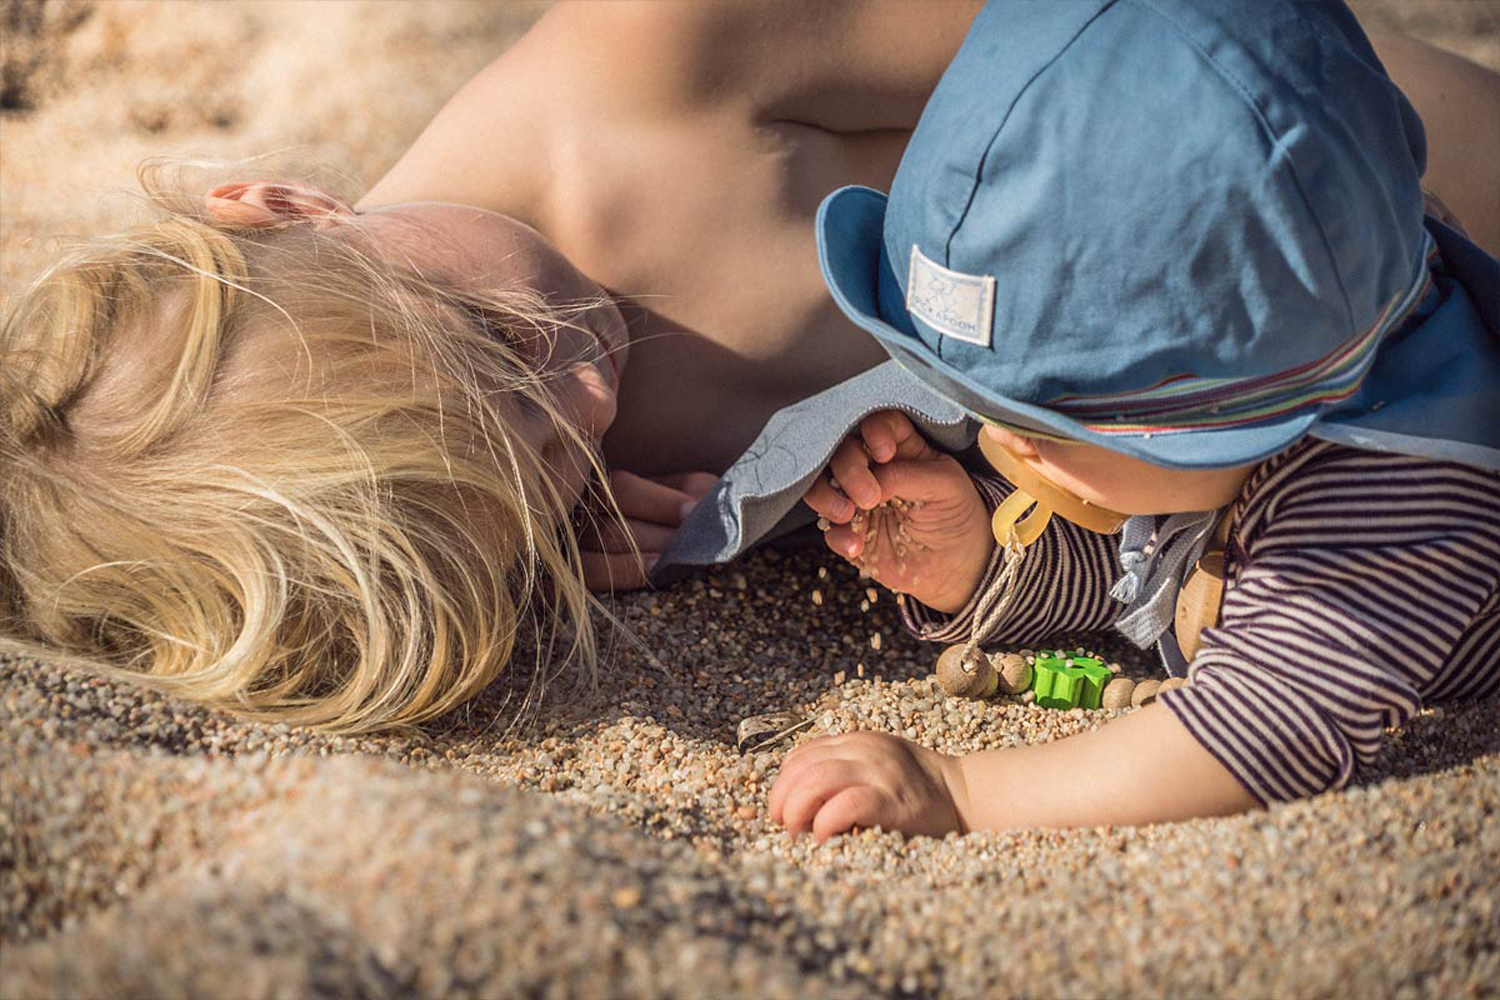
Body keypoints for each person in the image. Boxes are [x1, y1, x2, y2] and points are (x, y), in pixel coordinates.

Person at [0, 2, 1493, 734]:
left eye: (492, 350)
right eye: (529, 481)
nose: (578, 400)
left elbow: (1210, 66)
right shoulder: (453, 505)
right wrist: (545, 559)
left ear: (288, 203)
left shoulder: (660, 70)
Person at [772, 0, 1500, 840]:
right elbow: (1169, 574)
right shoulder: (1264, 380)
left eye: (1047, 427)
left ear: (1213, 414)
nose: (1003, 446)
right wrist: (978, 558)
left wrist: (964, 791)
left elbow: (1262, 732)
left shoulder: (1400, 483)